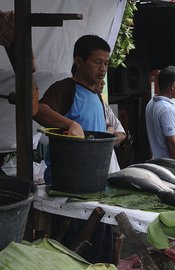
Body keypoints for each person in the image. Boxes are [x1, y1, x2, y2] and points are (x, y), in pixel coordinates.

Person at [33, 34, 113, 263]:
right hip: (68, 193)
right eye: (97, 61)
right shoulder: (66, 89)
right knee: (73, 257)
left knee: (100, 257)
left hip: (96, 187)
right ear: (79, 61)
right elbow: (38, 110)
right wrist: (70, 124)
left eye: (106, 63)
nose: (103, 68)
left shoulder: (96, 95)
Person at [145, 66, 175, 159]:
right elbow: (171, 143)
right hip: (172, 165)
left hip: (161, 162)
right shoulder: (166, 109)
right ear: (173, 86)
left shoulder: (151, 103)